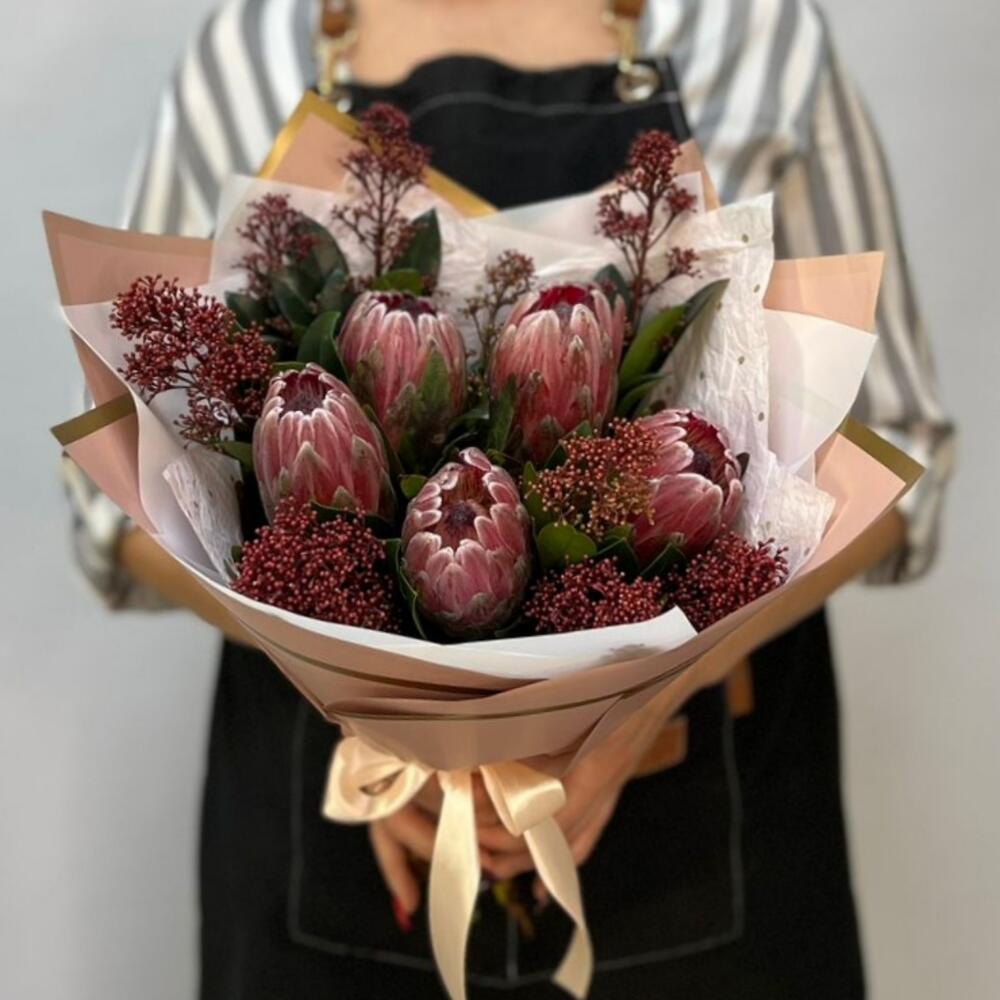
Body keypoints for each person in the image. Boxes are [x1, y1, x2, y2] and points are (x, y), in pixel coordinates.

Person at [64, 1, 955, 997]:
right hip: (336, 843)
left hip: (694, 836)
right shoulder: (255, 49)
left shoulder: (748, 32)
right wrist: (378, 713)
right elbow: (112, 511)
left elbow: (900, 455)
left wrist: (645, 697)